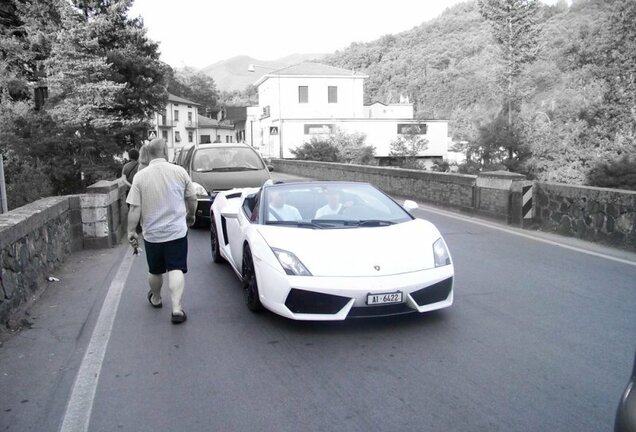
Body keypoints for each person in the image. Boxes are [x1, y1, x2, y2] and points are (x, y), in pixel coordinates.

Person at [126, 138, 197, 324]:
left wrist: (131, 231)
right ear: (166, 151)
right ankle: (176, 309)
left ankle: (156, 298)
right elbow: (192, 198)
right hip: (176, 231)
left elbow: (134, 208)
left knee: (155, 270)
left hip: (152, 233)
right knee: (176, 267)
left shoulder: (140, 177)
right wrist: (191, 215)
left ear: (148, 154)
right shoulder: (179, 171)